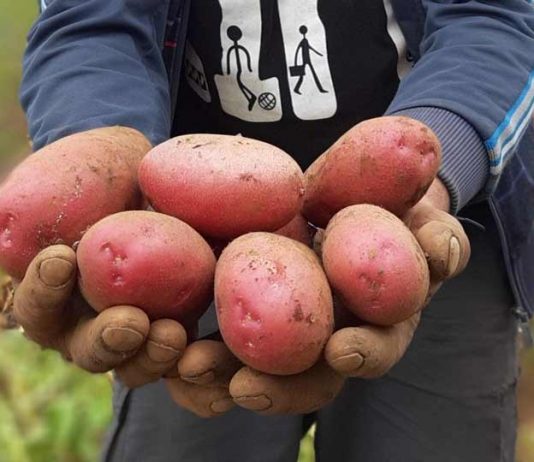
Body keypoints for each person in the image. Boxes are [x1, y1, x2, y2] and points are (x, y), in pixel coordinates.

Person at [11, 0, 534, 461]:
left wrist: (430, 178)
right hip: (186, 234)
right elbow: (89, 23)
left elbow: (494, 16)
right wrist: (100, 161)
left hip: (425, 224)